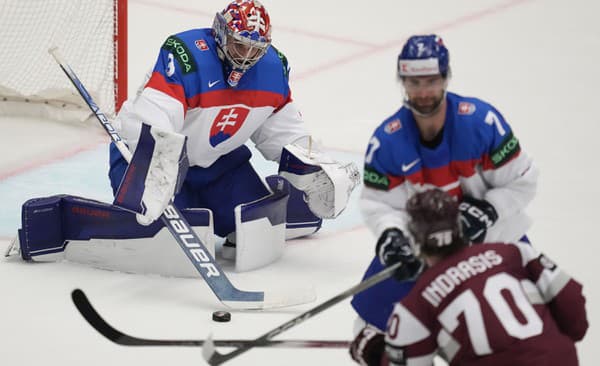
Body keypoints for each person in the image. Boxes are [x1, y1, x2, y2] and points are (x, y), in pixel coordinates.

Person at [8, 0, 359, 272]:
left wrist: (313, 169)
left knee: (253, 231)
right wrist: (158, 176)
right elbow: (153, 121)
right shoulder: (186, 55)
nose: (246, 57)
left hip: (221, 167)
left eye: (255, 49)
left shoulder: (272, 69)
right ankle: (74, 224)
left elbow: (283, 135)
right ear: (221, 34)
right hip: (150, 161)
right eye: (239, 46)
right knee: (170, 246)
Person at [351, 34, 539, 332]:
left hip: (492, 237)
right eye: (414, 83)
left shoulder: (481, 123)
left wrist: (490, 209)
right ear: (403, 83)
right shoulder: (387, 141)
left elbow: (523, 180)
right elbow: (380, 205)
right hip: (423, 246)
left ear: (446, 78)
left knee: (520, 326)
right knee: (370, 325)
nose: (423, 91)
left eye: (431, 81)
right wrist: (392, 235)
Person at [350, 189, 588, 365]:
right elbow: (574, 310)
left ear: (414, 240)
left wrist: (376, 352)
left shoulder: (417, 302)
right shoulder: (514, 252)